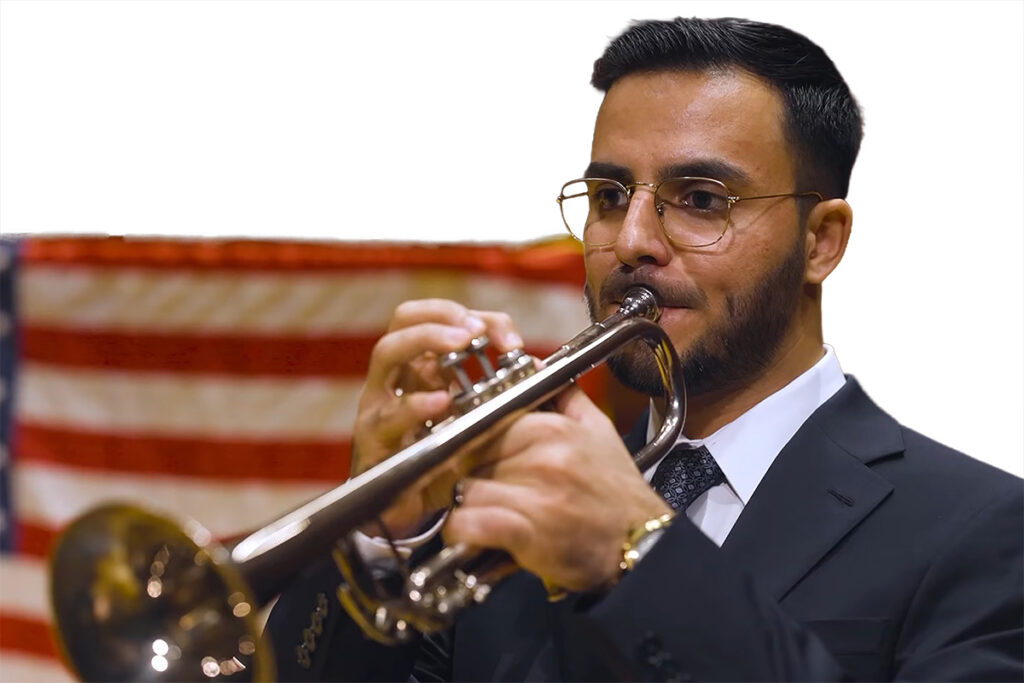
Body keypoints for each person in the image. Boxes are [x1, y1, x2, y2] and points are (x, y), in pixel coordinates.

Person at [265, 17, 1023, 681]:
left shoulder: (985, 532)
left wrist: (636, 553)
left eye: (701, 200)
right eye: (609, 196)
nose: (630, 241)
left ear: (820, 241)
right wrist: (381, 530)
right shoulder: (505, 514)